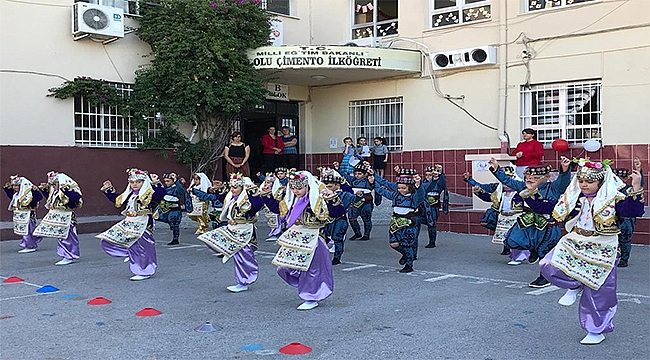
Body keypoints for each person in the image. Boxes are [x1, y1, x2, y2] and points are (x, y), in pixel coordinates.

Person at [530, 158, 645, 345]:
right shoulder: (574, 199)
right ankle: (574, 285)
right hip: (576, 241)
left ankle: (595, 330)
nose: (584, 185)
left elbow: (633, 210)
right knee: (547, 264)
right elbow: (548, 208)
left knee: (598, 292)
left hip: (603, 246)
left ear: (600, 182)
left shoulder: (613, 199)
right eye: (581, 181)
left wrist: (636, 186)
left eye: (589, 182)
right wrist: (530, 192)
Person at [261, 170, 345, 310]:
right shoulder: (290, 198)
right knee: (283, 267)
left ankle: (311, 296)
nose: (295, 191)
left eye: (299, 188)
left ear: (307, 186)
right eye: (293, 188)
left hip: (314, 238)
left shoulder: (318, 197)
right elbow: (277, 209)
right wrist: (266, 194)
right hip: (294, 236)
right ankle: (305, 286)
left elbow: (338, 212)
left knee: (311, 270)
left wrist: (331, 198)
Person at [488, 156, 572, 287]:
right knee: (512, 240)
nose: (530, 179)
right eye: (528, 176)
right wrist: (496, 168)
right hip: (528, 222)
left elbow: (563, 181)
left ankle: (544, 277)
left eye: (535, 177)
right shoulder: (522, 186)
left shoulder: (553, 188)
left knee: (545, 253)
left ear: (547, 177)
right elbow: (507, 180)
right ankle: (532, 249)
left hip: (548, 225)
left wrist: (565, 169)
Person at [194, 173, 265, 293]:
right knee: (211, 238)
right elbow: (221, 197)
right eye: (231, 187)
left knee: (244, 257)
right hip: (232, 229)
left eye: (235, 187)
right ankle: (241, 279)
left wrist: (251, 189)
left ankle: (244, 281)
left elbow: (258, 204)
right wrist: (220, 187)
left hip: (245, 231)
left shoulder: (248, 200)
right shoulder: (231, 198)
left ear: (242, 188)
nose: (232, 189)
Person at [97, 169, 166, 281]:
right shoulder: (129, 194)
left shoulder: (149, 194)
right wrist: (109, 189)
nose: (135, 184)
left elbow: (160, 195)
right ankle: (128, 254)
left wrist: (156, 182)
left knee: (143, 247)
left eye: (138, 182)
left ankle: (145, 270)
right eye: (132, 182)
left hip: (143, 224)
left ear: (144, 182)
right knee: (109, 238)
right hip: (129, 222)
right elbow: (117, 200)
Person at [464, 166, 530, 265]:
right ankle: (515, 255)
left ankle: (519, 257)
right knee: (508, 239)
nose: (505, 184)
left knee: (516, 238)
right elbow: (486, 193)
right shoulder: (499, 190)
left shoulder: (522, 190)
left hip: (517, 217)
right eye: (503, 181)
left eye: (508, 180)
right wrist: (474, 186)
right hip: (503, 217)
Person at [370, 167, 425, 273]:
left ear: (410, 188)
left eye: (403, 188)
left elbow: (421, 194)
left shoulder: (414, 197)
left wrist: (418, 184)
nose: (401, 190)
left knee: (407, 244)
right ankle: (405, 254)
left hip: (408, 222)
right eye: (399, 188)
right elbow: (382, 191)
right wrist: (373, 183)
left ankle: (409, 265)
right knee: (393, 243)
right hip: (395, 221)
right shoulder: (395, 195)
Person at [34, 172, 83, 265]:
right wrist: (44, 190)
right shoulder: (55, 192)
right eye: (52, 184)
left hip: (67, 218)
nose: (53, 186)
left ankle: (70, 255)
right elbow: (51, 201)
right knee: (60, 236)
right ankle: (65, 255)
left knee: (68, 237)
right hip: (57, 217)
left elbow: (75, 198)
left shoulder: (68, 191)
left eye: (55, 184)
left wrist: (65, 190)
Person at [320, 167, 361, 265]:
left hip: (339, 219)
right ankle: (321, 256)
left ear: (337, 186)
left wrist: (359, 195)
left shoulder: (344, 195)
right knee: (322, 238)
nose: (327, 188)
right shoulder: (321, 195)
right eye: (325, 185)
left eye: (329, 186)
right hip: (326, 219)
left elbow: (355, 199)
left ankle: (337, 258)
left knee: (337, 238)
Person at [613, 158, 644, 267]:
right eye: (617, 177)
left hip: (626, 220)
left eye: (621, 177)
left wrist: (638, 170)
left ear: (626, 178)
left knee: (625, 240)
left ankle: (624, 259)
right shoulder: (610, 189)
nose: (619, 179)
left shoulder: (629, 189)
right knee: (613, 240)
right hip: (613, 219)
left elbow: (638, 187)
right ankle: (614, 257)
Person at [334, 162, 374, 241]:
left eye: (360, 173)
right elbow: (344, 175)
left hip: (366, 201)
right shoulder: (352, 180)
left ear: (365, 174)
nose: (357, 175)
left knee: (366, 218)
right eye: (355, 173)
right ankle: (357, 233)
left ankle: (366, 234)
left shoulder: (368, 180)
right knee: (352, 218)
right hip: (354, 200)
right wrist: (338, 168)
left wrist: (370, 171)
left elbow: (374, 177)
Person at [3, 175, 43, 253]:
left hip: (28, 216)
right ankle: (29, 243)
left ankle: (30, 246)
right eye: (14, 186)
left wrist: (35, 191)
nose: (15, 187)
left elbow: (38, 198)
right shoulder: (16, 195)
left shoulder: (29, 194)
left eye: (17, 186)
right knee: (25, 231)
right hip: (20, 216)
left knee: (28, 231)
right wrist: (7, 189)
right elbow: (11, 197)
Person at [417, 165, 449, 250]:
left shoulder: (438, 183)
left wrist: (441, 172)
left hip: (433, 207)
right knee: (417, 222)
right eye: (426, 174)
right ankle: (413, 241)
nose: (427, 176)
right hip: (423, 206)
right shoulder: (423, 183)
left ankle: (432, 242)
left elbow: (443, 183)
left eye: (430, 175)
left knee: (432, 224)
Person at [257, 167, 289, 242]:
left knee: (276, 220)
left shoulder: (279, 190)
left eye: (268, 183)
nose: (266, 184)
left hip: (276, 209)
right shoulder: (265, 189)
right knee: (271, 221)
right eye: (265, 182)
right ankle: (274, 232)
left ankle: (276, 233)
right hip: (268, 209)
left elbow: (278, 199)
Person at [156, 173, 186, 245]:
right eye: (165, 181)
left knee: (175, 223)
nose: (166, 183)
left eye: (168, 181)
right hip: (165, 208)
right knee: (158, 217)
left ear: (173, 181)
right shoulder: (164, 187)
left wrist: (177, 180)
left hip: (174, 208)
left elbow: (182, 191)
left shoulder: (177, 188)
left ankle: (175, 239)